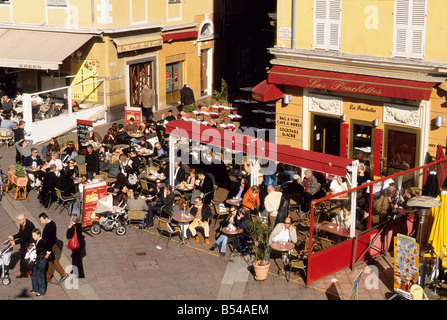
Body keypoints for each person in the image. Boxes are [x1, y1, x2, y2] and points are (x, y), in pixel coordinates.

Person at [38, 213, 68, 284]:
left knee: (49, 262)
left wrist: (48, 251)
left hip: (49, 247)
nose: (41, 222)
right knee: (53, 260)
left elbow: (48, 240)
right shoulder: (53, 223)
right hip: (53, 245)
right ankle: (62, 273)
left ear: (46, 218)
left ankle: (47, 279)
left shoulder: (48, 227)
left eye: (42, 221)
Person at [8, 213, 36, 278]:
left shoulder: (29, 225)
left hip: (29, 244)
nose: (19, 222)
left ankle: (24, 273)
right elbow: (20, 233)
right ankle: (25, 272)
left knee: (24, 258)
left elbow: (25, 237)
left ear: (24, 219)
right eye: (18, 220)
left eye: (20, 220)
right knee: (24, 257)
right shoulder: (22, 224)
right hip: (24, 243)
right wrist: (13, 237)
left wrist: (15, 242)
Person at [30, 229, 50, 296]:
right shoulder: (36, 241)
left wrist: (47, 255)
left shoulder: (42, 241)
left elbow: (48, 248)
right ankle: (35, 289)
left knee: (40, 275)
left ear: (39, 235)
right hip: (36, 260)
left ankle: (41, 291)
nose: (33, 237)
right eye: (33, 235)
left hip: (41, 260)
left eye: (34, 235)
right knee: (33, 274)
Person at [66, 214, 85, 279]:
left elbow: (68, 236)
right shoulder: (79, 225)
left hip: (76, 245)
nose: (70, 219)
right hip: (80, 244)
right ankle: (74, 270)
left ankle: (79, 273)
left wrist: (69, 228)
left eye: (71, 218)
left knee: (77, 260)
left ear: (73, 219)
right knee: (75, 258)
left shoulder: (73, 227)